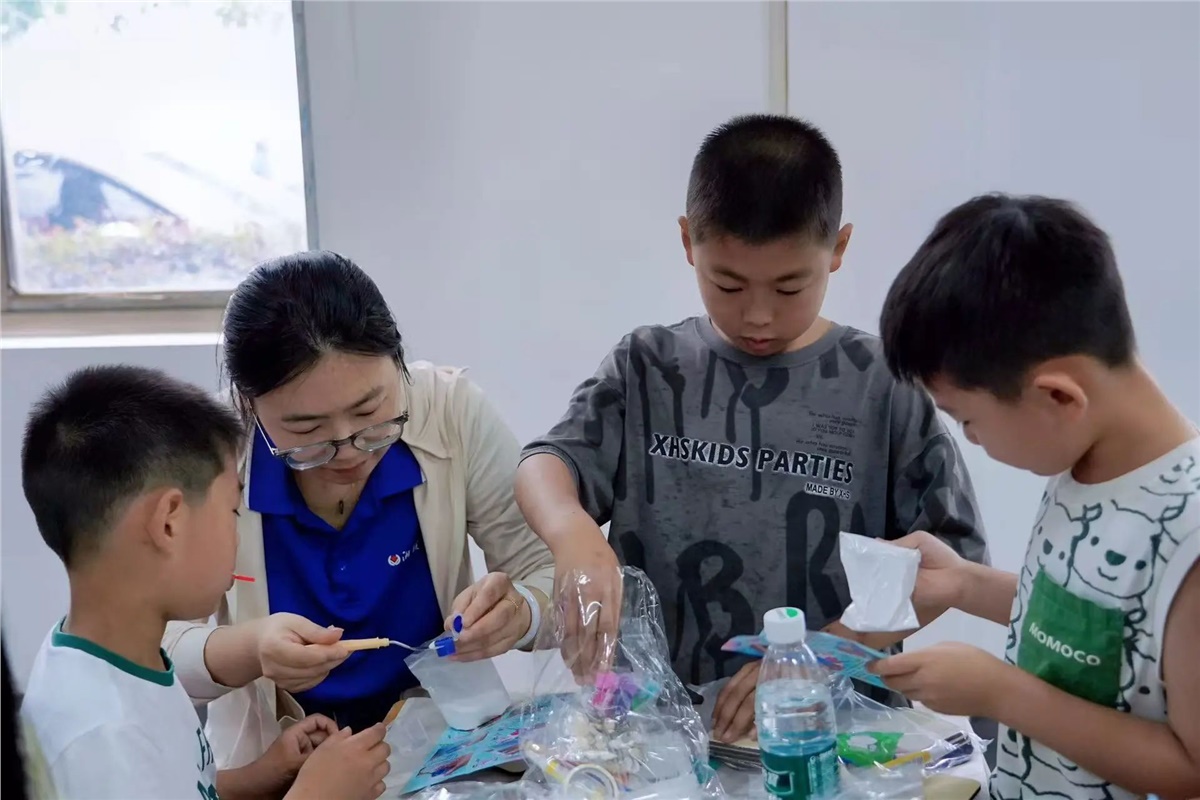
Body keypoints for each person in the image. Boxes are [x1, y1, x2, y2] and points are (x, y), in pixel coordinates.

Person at [514, 114, 989, 743]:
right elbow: (546, 462)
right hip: (661, 728)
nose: (758, 315)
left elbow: (950, 563)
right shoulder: (648, 366)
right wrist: (574, 534)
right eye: (728, 283)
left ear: (839, 249)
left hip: (834, 729)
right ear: (688, 241)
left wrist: (819, 656)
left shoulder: (882, 384)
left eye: (790, 287)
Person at [163, 251, 556, 768]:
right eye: (306, 430)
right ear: (247, 403)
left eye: (370, 411)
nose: (348, 450)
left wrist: (522, 612)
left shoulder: (451, 413)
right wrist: (250, 649)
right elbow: (150, 645)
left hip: (440, 750)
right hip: (279, 768)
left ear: (399, 363)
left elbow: (553, 570)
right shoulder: (210, 456)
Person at [871, 194, 1200, 799]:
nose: (970, 440)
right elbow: (1099, 630)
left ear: (1058, 397)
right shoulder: (1085, 461)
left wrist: (1000, 693)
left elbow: (1192, 768)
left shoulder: (1188, 531)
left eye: (968, 420)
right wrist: (966, 584)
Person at [19, 365, 390, 800]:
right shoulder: (100, 740)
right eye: (232, 510)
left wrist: (264, 773)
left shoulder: (118, 661)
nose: (237, 535)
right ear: (169, 522)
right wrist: (317, 794)